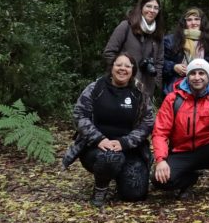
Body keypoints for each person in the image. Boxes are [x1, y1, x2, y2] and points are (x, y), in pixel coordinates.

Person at [62, 53, 155, 208]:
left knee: (135, 194)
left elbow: (148, 121)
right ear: (111, 67)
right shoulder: (95, 88)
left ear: (133, 70)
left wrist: (125, 142)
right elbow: (80, 115)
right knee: (111, 158)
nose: (122, 69)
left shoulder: (139, 92)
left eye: (127, 66)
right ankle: (100, 189)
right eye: (118, 65)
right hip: (96, 148)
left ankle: (121, 177)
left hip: (129, 148)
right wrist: (100, 139)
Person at [152, 59, 209, 207]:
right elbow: (160, 133)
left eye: (202, 73)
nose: (197, 77)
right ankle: (189, 179)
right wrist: (161, 160)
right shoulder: (173, 99)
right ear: (187, 77)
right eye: (193, 73)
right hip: (181, 152)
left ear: (208, 77)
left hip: (207, 149)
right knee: (159, 180)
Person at [103, 0, 164, 103]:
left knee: (142, 118)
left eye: (156, 8)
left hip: (147, 90)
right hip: (122, 86)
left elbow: (159, 61)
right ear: (141, 8)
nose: (152, 10)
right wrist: (123, 73)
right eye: (148, 6)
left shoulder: (158, 33)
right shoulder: (126, 26)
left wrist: (156, 82)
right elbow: (109, 53)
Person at [162, 7, 209, 95]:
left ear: (202, 22)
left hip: (202, 86)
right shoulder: (171, 40)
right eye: (189, 20)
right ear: (184, 23)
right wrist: (173, 67)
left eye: (197, 19)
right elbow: (160, 62)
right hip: (176, 87)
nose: (193, 23)